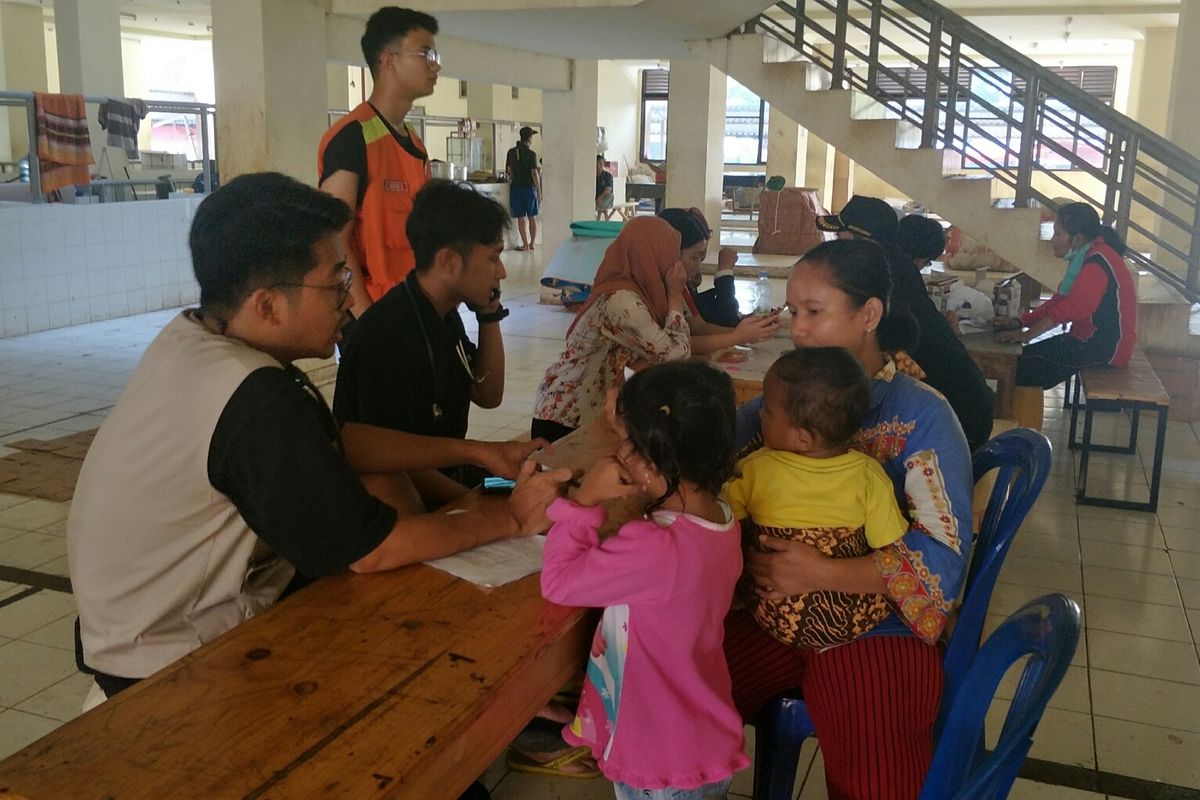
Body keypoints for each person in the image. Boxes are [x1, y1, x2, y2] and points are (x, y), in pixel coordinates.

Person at [66, 172, 567, 714]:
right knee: (406, 626)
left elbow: (346, 446)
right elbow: (374, 551)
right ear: (267, 305)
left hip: (142, 623)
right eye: (335, 281)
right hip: (168, 659)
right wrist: (513, 519)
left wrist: (481, 454)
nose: (349, 299)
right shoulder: (255, 398)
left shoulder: (197, 341)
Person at [727, 238, 973, 800]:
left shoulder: (918, 416)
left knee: (877, 783)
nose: (798, 330)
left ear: (869, 315)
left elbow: (944, 560)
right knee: (667, 695)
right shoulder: (786, 396)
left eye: (815, 312)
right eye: (793, 313)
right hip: (768, 613)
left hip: (876, 625)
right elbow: (717, 450)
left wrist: (820, 572)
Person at [539, 361, 750, 798]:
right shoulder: (721, 516)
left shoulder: (656, 545)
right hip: (696, 738)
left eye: (626, 440)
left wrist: (584, 501)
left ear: (651, 460)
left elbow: (558, 582)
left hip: (660, 757)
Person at [333, 179, 522, 505]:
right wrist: (477, 506)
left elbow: (488, 394)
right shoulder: (390, 334)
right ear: (448, 262)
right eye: (493, 258)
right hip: (400, 504)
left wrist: (489, 316)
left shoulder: (444, 315)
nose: (501, 272)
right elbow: (397, 465)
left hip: (446, 478)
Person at [723, 346, 909, 650]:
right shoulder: (868, 475)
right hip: (854, 622)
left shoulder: (753, 469)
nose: (759, 413)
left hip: (773, 614)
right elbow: (893, 552)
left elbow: (730, 531)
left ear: (803, 438)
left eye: (768, 409)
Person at [818, 196, 995, 452]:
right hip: (969, 410)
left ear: (864, 241)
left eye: (841, 239)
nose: (836, 248)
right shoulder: (897, 265)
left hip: (954, 429)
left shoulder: (882, 281)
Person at [318, 6, 439, 312]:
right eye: (426, 55)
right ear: (388, 60)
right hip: (372, 315)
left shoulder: (414, 143)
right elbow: (335, 240)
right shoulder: (352, 138)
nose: (435, 67)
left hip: (412, 304)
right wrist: (367, 323)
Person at [532, 216, 690, 443]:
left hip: (589, 412)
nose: (677, 265)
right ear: (652, 255)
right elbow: (677, 355)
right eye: (672, 255)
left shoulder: (641, 293)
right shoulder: (621, 301)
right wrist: (675, 294)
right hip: (565, 417)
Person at [995, 201, 1137, 429]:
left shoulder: (1097, 262)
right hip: (1087, 342)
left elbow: (1073, 308)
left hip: (1105, 350)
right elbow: (1059, 302)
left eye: (1058, 233)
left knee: (1018, 369)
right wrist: (1020, 321)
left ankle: (1020, 435)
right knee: (1017, 362)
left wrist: (1026, 335)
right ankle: (1016, 430)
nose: (1053, 239)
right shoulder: (1089, 256)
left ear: (1077, 239)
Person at [658, 206, 781, 352]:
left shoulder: (679, 284)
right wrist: (738, 336)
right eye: (695, 257)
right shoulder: (658, 288)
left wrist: (750, 330)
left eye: (701, 256)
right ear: (672, 253)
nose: (699, 264)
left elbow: (698, 326)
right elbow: (678, 346)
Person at [506, 126, 542, 251]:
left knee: (520, 217)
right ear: (529, 138)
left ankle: (525, 244)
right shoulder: (531, 154)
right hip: (529, 189)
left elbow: (509, 171)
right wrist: (538, 190)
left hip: (515, 188)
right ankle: (532, 243)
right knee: (532, 217)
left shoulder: (511, 152)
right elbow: (534, 173)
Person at [595, 155, 614, 220]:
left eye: (600, 164)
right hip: (595, 198)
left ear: (603, 164)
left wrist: (600, 198)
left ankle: (599, 209)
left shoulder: (607, 176)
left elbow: (608, 190)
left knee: (610, 195)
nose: (598, 166)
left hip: (605, 198)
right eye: (597, 164)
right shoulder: (592, 175)